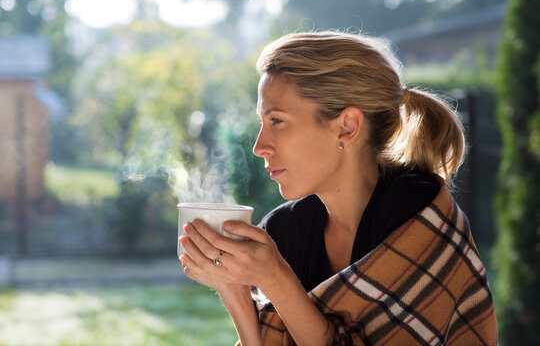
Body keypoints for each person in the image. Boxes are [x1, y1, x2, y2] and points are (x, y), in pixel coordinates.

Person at [178, 31, 498, 345]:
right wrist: (232, 288)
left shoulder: (420, 216)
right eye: (262, 123)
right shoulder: (284, 231)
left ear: (346, 126)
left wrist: (276, 278)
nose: (259, 146)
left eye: (277, 121)